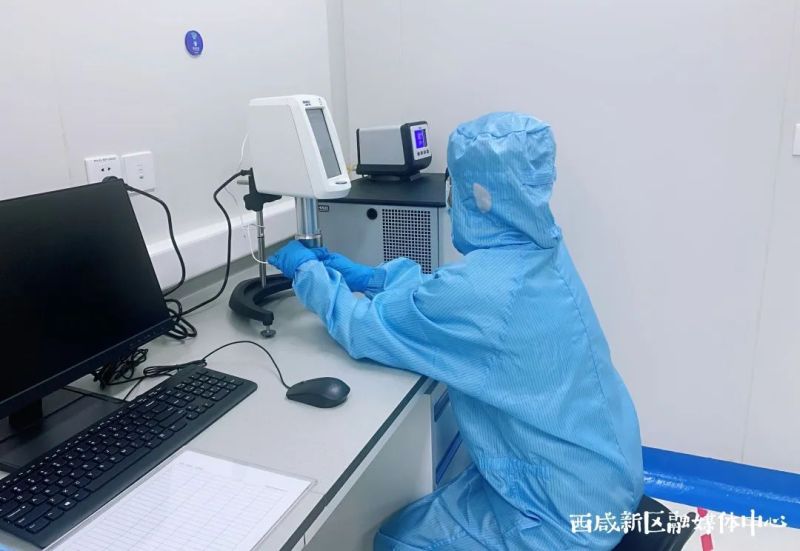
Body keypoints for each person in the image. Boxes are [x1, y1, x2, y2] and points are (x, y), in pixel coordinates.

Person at [268, 112, 643, 550]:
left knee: (396, 540)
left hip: (560, 518)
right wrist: (371, 278)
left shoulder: (484, 291)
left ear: (475, 193)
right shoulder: (543, 251)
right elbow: (442, 298)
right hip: (604, 478)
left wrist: (309, 272)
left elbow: (363, 327)